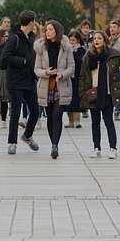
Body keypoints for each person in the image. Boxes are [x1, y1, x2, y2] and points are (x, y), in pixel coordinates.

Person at [79, 31, 120, 160]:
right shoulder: (88, 57)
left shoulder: (112, 55)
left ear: (105, 40)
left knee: (108, 122)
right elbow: (83, 77)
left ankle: (113, 148)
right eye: (94, 38)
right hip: (93, 95)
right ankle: (96, 148)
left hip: (107, 94)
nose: (96, 40)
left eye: (99, 38)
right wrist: (82, 93)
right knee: (95, 123)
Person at [0, 10, 40, 155]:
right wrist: (22, 61)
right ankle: (12, 143)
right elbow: (4, 58)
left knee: (35, 112)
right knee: (16, 113)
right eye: (34, 21)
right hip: (15, 81)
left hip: (29, 80)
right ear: (30, 22)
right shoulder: (14, 38)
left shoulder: (31, 37)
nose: (34, 24)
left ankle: (27, 135)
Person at [34, 20, 74, 159]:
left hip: (61, 86)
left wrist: (61, 74)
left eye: (50, 29)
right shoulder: (41, 48)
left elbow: (71, 67)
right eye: (46, 30)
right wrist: (46, 72)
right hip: (46, 86)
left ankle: (55, 145)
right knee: (50, 117)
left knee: (57, 116)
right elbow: (36, 69)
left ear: (57, 31)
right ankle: (53, 143)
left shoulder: (66, 47)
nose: (47, 32)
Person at [66, 30, 86, 128]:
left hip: (78, 78)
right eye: (70, 40)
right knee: (68, 101)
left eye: (73, 40)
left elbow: (82, 62)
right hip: (68, 78)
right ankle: (70, 122)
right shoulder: (66, 50)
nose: (72, 42)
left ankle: (77, 121)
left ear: (78, 40)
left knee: (76, 100)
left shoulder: (82, 50)